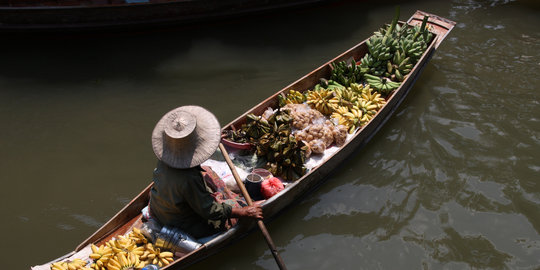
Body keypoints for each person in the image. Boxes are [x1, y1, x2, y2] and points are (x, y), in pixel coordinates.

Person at [148, 105, 263, 239]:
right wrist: (243, 212)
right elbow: (210, 212)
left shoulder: (166, 158)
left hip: (160, 209)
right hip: (183, 223)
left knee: (207, 171)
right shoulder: (189, 177)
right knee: (234, 210)